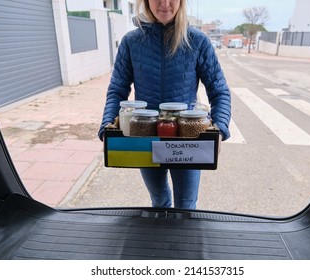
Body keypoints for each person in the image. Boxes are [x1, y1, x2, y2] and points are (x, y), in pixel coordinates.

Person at [98, 0, 231, 209]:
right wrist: (107, 125)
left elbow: (219, 90)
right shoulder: (131, 42)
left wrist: (220, 128)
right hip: (145, 134)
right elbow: (117, 89)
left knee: (186, 205)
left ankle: (181, 242)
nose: (165, 3)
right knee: (159, 201)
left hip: (187, 138)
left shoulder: (196, 40)